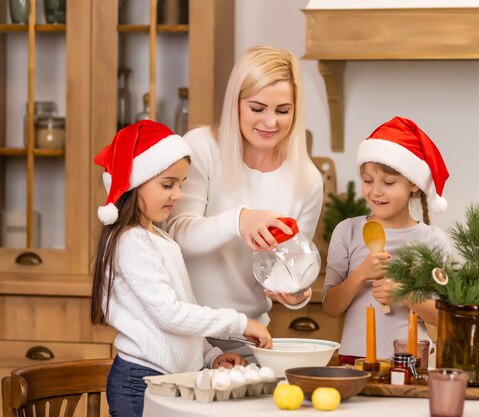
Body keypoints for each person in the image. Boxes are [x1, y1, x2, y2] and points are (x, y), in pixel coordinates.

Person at [91, 120, 272, 417]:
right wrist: (240, 323)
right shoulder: (131, 242)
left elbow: (181, 312)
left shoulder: (159, 239)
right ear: (135, 183)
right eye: (167, 184)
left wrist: (210, 356)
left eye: (181, 184)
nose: (177, 194)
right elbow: (170, 315)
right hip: (140, 383)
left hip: (169, 380)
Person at [165, 46, 324, 360]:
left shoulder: (307, 180)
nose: (270, 121)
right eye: (257, 108)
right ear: (235, 103)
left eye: (282, 110)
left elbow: (291, 266)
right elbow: (176, 236)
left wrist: (296, 294)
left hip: (248, 338)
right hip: (183, 332)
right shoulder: (201, 148)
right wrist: (239, 221)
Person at [322, 116, 452, 365]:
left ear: (413, 183)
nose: (375, 191)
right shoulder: (347, 231)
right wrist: (360, 274)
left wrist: (406, 295)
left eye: (389, 182)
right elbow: (330, 307)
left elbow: (445, 316)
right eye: (367, 181)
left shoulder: (432, 240)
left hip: (411, 359)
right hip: (355, 358)